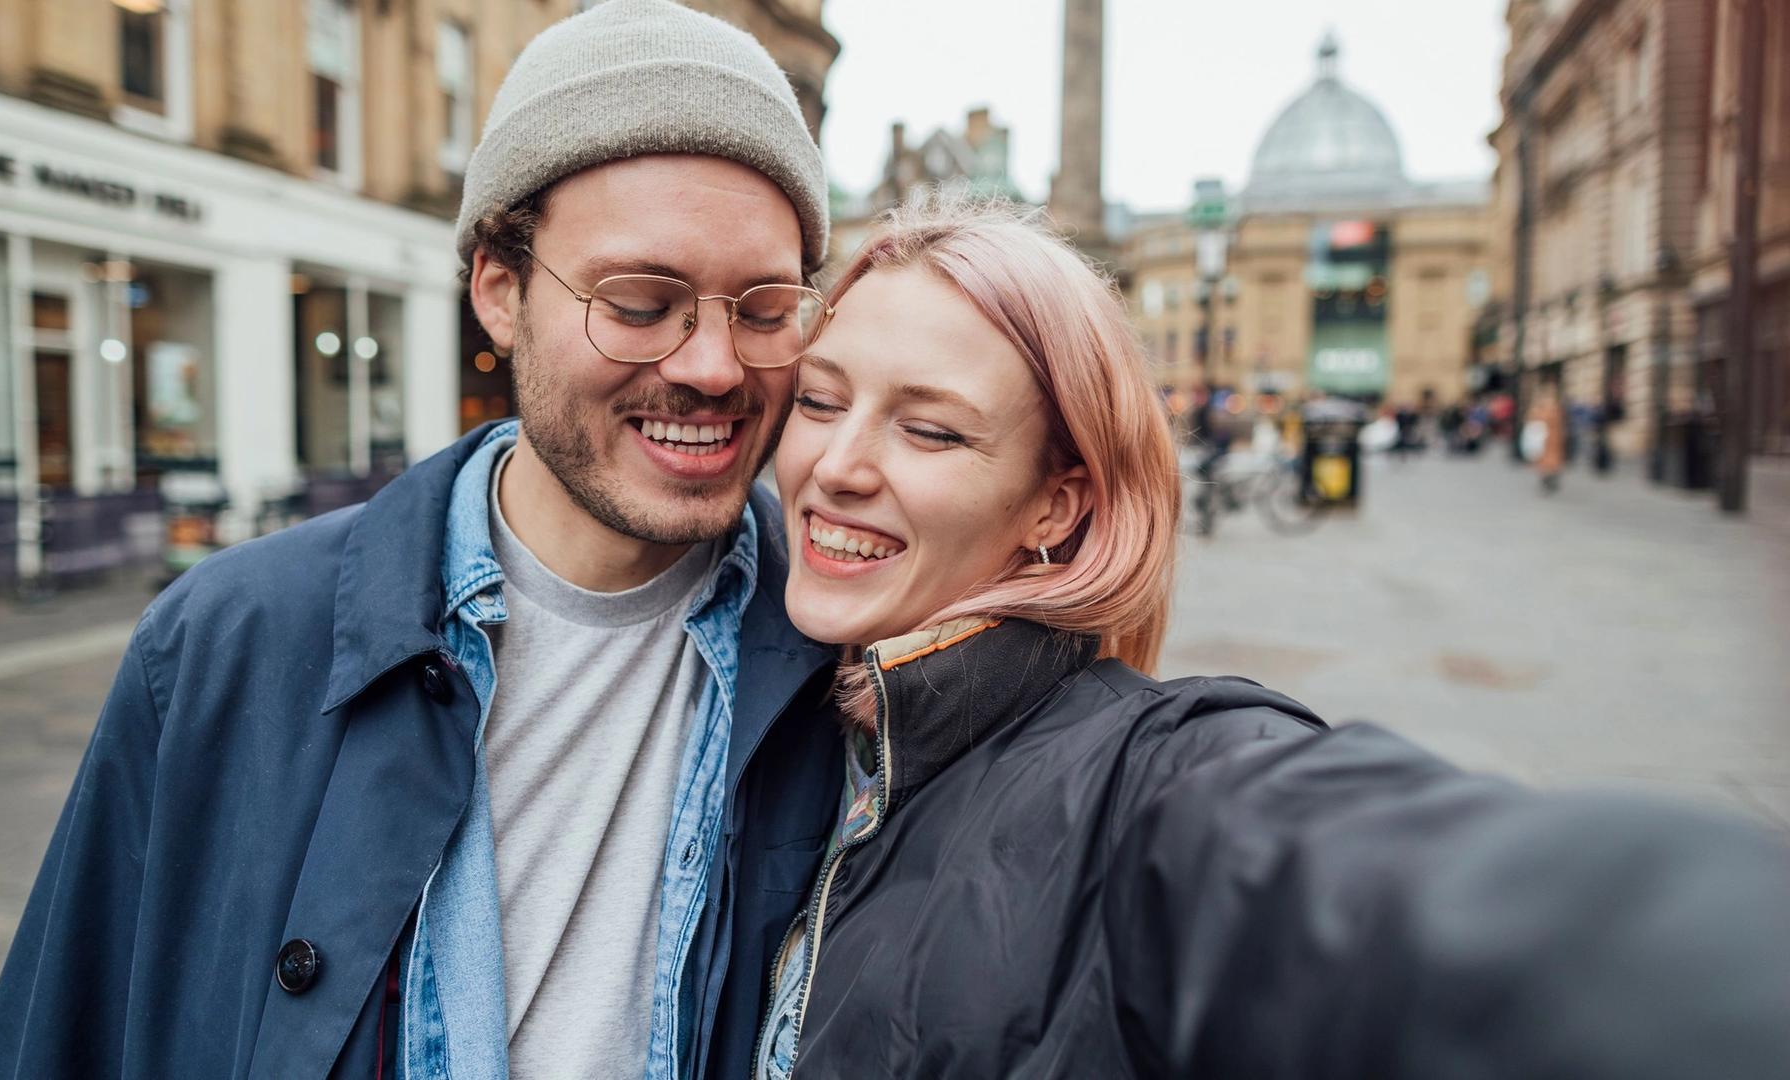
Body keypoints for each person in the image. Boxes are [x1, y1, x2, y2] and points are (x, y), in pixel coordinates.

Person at [0, 3, 849, 1077]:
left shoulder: (854, 662)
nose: (714, 366)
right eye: (639, 301)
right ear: (498, 289)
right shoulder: (223, 643)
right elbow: (57, 1039)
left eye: (762, 309)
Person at [746, 198, 1790, 1079]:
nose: (836, 464)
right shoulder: (784, 715)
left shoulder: (1154, 784)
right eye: (820, 400)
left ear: (1056, 506)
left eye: (931, 429)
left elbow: (1379, 890)